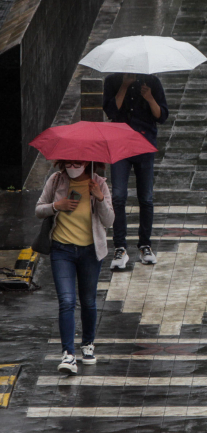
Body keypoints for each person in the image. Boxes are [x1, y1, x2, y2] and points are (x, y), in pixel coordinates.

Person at [35, 161, 114, 375]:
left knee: (88, 301)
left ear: (88, 162)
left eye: (78, 162)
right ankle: (68, 354)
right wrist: (55, 206)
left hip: (90, 252)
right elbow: (38, 209)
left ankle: (87, 344)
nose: (73, 166)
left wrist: (99, 198)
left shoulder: (99, 184)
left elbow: (109, 220)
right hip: (62, 251)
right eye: (68, 161)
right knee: (67, 301)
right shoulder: (56, 180)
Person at [103, 72, 168, 269]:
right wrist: (124, 86)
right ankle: (120, 247)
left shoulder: (152, 81)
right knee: (119, 196)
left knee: (146, 197)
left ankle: (145, 245)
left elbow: (162, 116)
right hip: (119, 144)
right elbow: (111, 112)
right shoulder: (112, 81)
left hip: (144, 143)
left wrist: (149, 97)